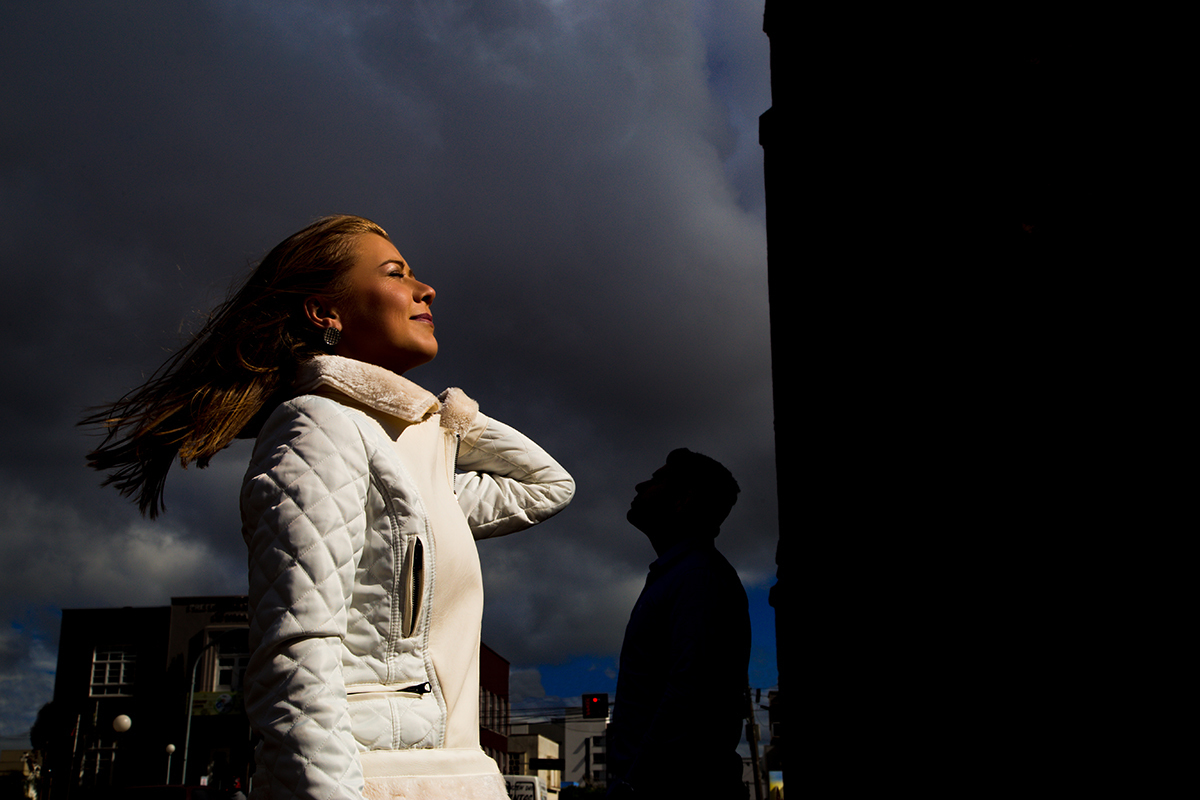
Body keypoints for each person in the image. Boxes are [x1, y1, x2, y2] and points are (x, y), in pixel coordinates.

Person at [84, 215, 575, 799]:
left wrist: (453, 423)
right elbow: (296, 657)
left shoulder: (413, 463)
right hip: (375, 782)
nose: (426, 289)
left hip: (453, 778)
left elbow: (548, 486)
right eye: (397, 274)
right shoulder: (316, 427)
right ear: (325, 313)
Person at [607, 449, 750, 799]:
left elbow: (692, 692)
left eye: (657, 479)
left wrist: (635, 783)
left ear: (682, 500)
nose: (642, 485)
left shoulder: (698, 577)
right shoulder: (679, 575)